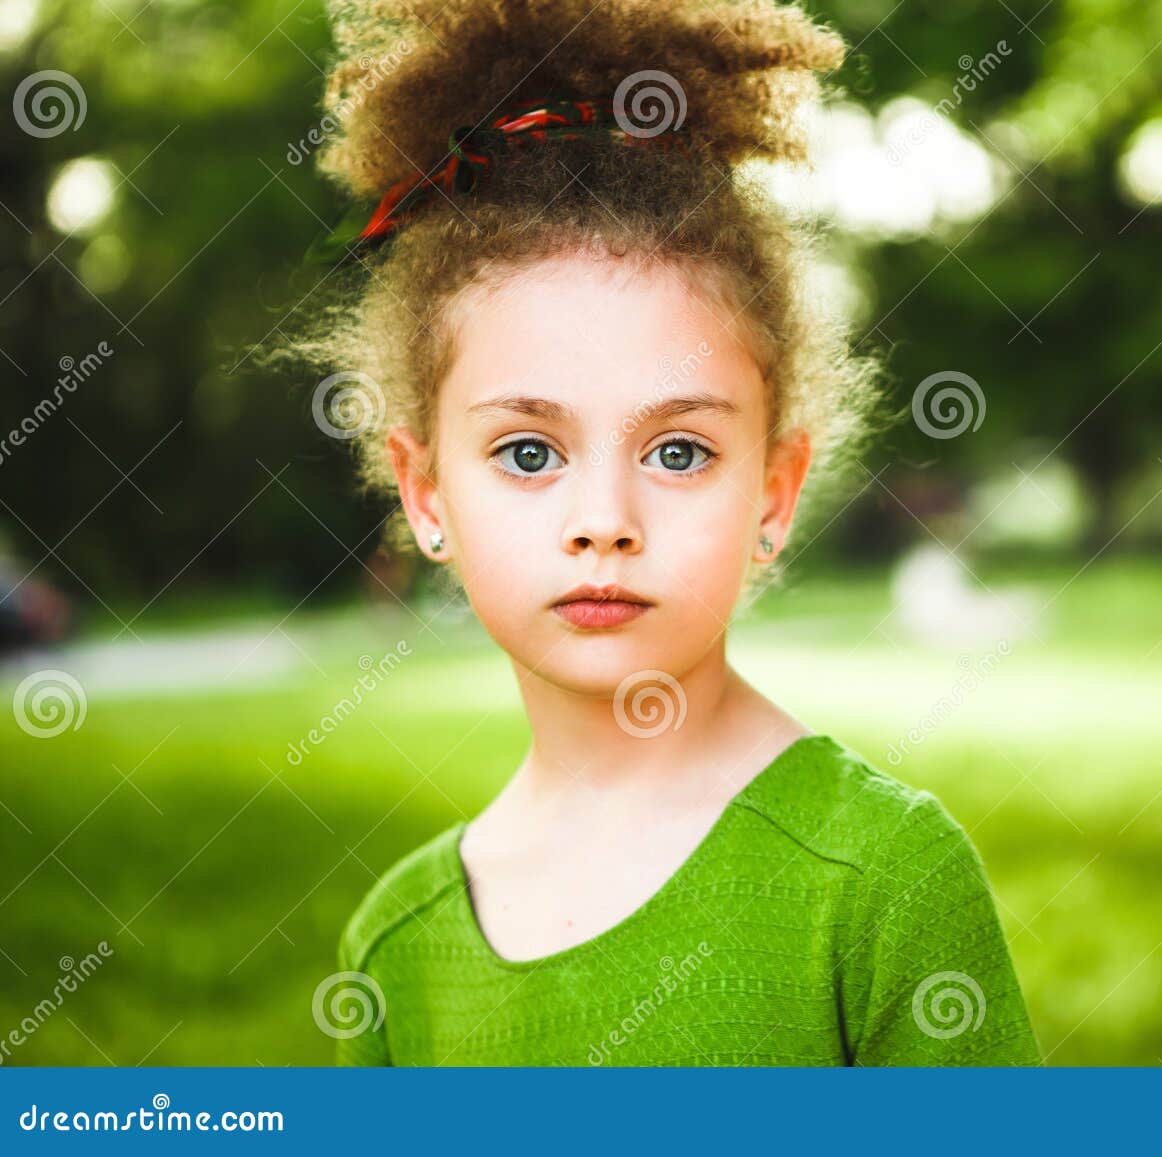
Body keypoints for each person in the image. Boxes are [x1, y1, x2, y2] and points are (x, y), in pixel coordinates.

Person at [289, 0, 1041, 1066]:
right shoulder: (393, 946)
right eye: (528, 452)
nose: (604, 522)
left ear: (774, 494)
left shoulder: (881, 876)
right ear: (426, 495)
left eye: (678, 452)